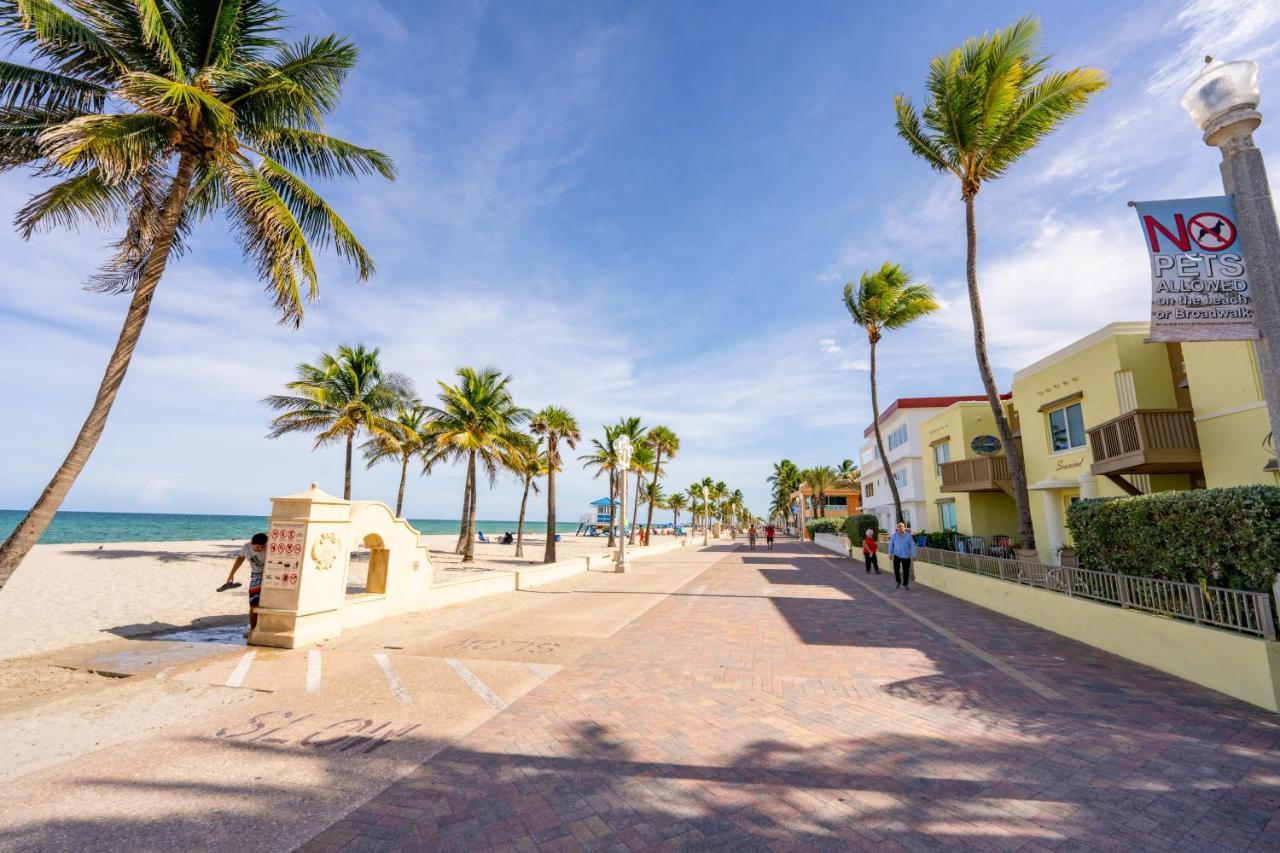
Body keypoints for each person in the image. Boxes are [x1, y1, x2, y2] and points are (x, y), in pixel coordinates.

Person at [221, 532, 268, 630]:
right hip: (256, 577)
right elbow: (240, 559)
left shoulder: (268, 548)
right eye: (256, 547)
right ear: (252, 543)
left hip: (268, 577)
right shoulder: (246, 547)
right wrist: (231, 574)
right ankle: (253, 628)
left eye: (261, 547)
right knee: (253, 604)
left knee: (266, 604)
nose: (259, 549)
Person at [888, 521, 916, 590]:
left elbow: (912, 546)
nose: (900, 528)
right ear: (896, 528)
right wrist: (890, 554)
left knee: (906, 570)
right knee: (896, 569)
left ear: (904, 528)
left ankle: (905, 584)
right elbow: (891, 545)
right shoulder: (894, 535)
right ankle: (898, 581)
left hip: (906, 555)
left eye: (901, 526)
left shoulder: (908, 536)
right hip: (897, 555)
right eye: (898, 526)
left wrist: (914, 555)